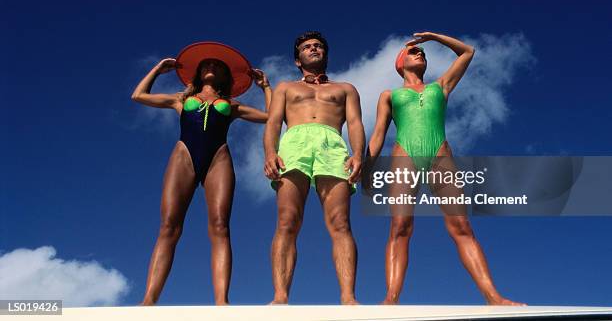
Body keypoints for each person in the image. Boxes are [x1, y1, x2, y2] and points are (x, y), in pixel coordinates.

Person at [368, 31, 524, 305]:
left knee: (461, 225)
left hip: (441, 157)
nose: (421, 54)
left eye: (423, 53)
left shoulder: (441, 86)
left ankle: (493, 296)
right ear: (400, 62)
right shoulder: (389, 95)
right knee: (400, 225)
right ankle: (391, 299)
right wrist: (366, 168)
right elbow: (378, 135)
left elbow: (467, 52)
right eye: (414, 52)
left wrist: (433, 38)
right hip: (405, 156)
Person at [132, 43, 272, 305]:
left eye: (217, 65)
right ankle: (149, 300)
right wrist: (158, 70)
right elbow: (138, 95)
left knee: (220, 226)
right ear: (197, 73)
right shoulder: (180, 99)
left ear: (225, 76)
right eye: (206, 64)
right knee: (169, 226)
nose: (211, 66)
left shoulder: (232, 105)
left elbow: (273, 116)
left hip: (218, 159)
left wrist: (265, 87)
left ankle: (221, 301)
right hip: (183, 156)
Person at [263, 31, 365, 305]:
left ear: (326, 54)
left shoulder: (345, 89)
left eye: (318, 46)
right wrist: (270, 152)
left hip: (332, 144)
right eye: (308, 47)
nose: (314, 49)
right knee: (287, 222)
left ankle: (348, 297)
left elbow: (354, 123)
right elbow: (273, 122)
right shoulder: (285, 87)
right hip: (294, 143)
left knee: (341, 223)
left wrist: (358, 154)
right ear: (298, 59)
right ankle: (280, 297)